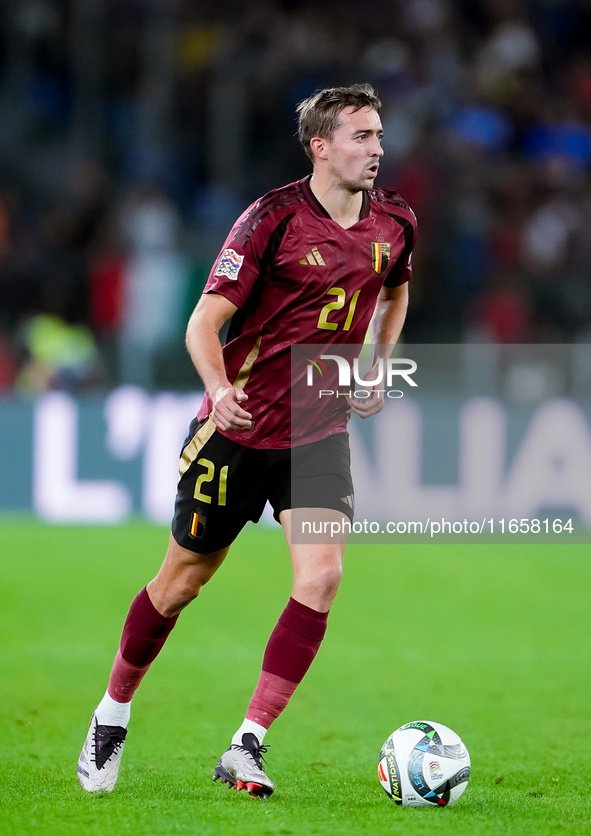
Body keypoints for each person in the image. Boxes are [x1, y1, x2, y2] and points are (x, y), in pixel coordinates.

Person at [77, 83, 417, 798]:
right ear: (320, 145)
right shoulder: (271, 219)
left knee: (321, 577)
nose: (377, 149)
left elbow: (394, 291)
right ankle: (112, 711)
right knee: (180, 583)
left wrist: (374, 367)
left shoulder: (395, 222)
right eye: (361, 136)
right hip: (237, 430)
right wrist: (221, 388)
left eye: (379, 135)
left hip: (317, 431)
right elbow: (204, 322)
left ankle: (247, 742)